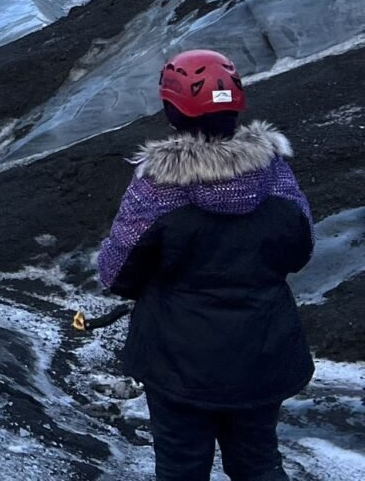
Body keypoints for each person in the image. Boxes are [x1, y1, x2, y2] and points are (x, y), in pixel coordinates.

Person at [97, 50, 312, 481]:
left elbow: (116, 274)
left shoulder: (156, 188)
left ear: (171, 111)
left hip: (178, 361)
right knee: (258, 463)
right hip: (262, 351)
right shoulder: (276, 176)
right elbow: (300, 250)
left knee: (181, 467)